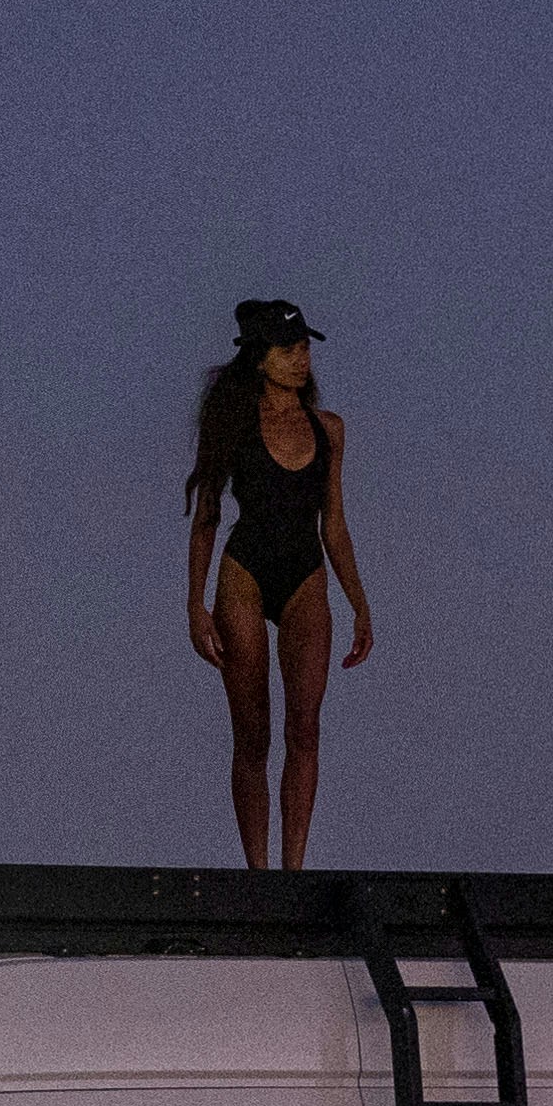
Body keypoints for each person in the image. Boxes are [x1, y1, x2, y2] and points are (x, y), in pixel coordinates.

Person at [183, 297, 374, 868]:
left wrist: (360, 604)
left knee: (305, 727)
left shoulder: (329, 429)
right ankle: (258, 875)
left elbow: (334, 523)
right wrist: (195, 605)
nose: (301, 358)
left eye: (305, 346)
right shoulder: (233, 421)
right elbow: (208, 516)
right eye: (289, 349)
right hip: (244, 574)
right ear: (260, 357)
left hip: (305, 576)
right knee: (253, 733)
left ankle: (293, 872)